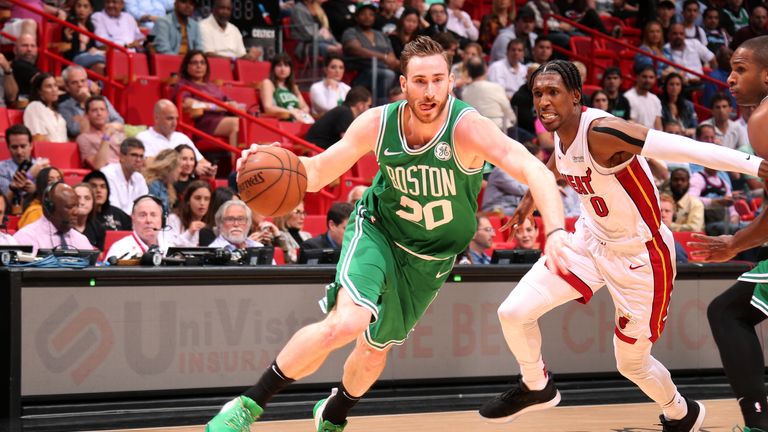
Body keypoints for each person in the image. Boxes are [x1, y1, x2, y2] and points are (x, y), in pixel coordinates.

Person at [204, 36, 570, 432]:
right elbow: (313, 173)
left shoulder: (469, 128)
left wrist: (555, 231)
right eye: (419, 81)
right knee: (347, 322)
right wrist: (259, 162)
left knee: (374, 350)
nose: (429, 92)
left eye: (438, 80)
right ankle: (246, 406)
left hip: (431, 258)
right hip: (379, 230)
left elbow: (534, 170)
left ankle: (333, 413)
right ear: (403, 84)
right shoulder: (378, 124)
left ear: (451, 82)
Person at [478, 59, 768, 430]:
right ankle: (536, 386)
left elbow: (680, 147)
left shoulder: (604, 131)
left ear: (576, 98)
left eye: (553, 92)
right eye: (538, 94)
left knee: (631, 363)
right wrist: (529, 199)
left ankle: (682, 413)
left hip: (641, 256)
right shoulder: (561, 130)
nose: (544, 101)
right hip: (588, 239)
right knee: (513, 313)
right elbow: (559, 159)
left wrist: (754, 164)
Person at [688, 35, 768, 432]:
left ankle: (757, 423)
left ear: (767, 75)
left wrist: (734, 243)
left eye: (741, 69)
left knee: (727, 312)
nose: (730, 79)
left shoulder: (763, 118)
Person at [173, 50, 240, 148]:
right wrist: (217, 107)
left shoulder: (211, 85)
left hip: (222, 118)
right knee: (236, 124)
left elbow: (228, 101)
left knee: (245, 123)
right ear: (186, 66)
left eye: (202, 63)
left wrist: (233, 104)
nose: (199, 66)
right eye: (194, 63)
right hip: (202, 122)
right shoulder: (183, 84)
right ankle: (237, 162)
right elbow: (189, 103)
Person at [136, 99, 215, 177]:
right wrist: (192, 167)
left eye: (176, 119)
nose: (174, 123)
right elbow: (149, 163)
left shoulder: (182, 137)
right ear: (156, 118)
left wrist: (209, 169)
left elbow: (203, 162)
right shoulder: (144, 137)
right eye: (170, 118)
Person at [342, 2, 399, 106]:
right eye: (363, 14)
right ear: (357, 17)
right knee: (388, 74)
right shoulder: (351, 32)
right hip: (360, 72)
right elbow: (355, 49)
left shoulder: (381, 35)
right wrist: (382, 57)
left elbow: (392, 59)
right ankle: (380, 107)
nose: (367, 17)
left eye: (371, 14)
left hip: (383, 70)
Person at [13, 181, 93, 254]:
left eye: (76, 206)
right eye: (69, 207)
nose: (76, 212)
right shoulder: (26, 238)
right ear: (50, 208)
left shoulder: (81, 240)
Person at [59, 65, 124, 138]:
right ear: (67, 87)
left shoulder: (103, 100)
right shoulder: (64, 107)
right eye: (74, 83)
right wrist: (87, 101)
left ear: (87, 82)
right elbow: (75, 130)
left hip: (110, 139)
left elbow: (119, 121)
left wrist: (102, 127)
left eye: (83, 81)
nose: (80, 85)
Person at [105, 195, 174, 259]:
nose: (148, 220)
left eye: (153, 215)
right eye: (142, 215)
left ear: (162, 219)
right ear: (133, 219)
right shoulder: (119, 250)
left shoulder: (171, 250)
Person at [305, 86, 372, 150]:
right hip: (315, 149)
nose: (369, 109)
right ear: (360, 105)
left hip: (321, 147)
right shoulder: (345, 113)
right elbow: (348, 142)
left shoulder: (344, 110)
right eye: (368, 105)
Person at [462, 57, 516, 133]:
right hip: (500, 130)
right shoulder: (496, 87)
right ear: (485, 68)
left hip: (477, 132)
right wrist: (513, 119)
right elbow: (507, 110)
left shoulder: (465, 92)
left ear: (468, 72)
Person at [0, 125, 48, 208]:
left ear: (31, 146)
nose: (19, 152)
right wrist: (30, 175)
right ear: (8, 147)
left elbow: (52, 199)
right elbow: (6, 202)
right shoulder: (1, 169)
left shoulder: (42, 166)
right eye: (14, 147)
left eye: (23, 146)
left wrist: (36, 190)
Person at [76, 95, 127, 169]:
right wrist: (106, 136)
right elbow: (98, 166)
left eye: (102, 109)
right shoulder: (84, 138)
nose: (99, 113)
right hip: (106, 174)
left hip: (125, 171)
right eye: (94, 110)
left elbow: (128, 156)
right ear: (87, 115)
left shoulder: (117, 132)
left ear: (107, 113)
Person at [101, 138, 148, 215]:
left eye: (141, 156)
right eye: (134, 155)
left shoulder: (139, 178)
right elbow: (113, 208)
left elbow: (144, 205)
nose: (138, 160)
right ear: (122, 157)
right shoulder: (108, 174)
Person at [260, 53, 312, 123]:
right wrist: (290, 112)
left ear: (290, 69)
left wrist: (299, 112)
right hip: (281, 123)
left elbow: (305, 107)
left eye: (286, 65)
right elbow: (268, 108)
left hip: (298, 121)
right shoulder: (268, 83)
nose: (283, 69)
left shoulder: (293, 86)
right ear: (273, 68)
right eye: (279, 65)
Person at [62, 0, 106, 74]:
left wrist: (93, 49)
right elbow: (66, 49)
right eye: (79, 6)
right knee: (103, 57)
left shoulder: (90, 26)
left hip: (88, 58)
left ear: (91, 10)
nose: (81, 9)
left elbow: (92, 46)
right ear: (74, 8)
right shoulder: (70, 24)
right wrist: (68, 38)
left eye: (85, 6)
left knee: (100, 66)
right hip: (74, 59)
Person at [23, 73, 67, 143]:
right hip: (45, 151)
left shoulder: (59, 114)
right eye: (49, 86)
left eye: (55, 85)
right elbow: (38, 138)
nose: (54, 89)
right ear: (39, 91)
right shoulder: (35, 106)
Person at [167, 179, 210, 246]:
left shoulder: (211, 223)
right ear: (188, 200)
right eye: (197, 198)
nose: (202, 203)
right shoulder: (174, 218)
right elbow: (169, 246)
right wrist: (189, 232)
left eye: (206, 199)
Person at [665, 167, 705, 233]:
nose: (679, 183)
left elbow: (695, 228)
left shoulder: (696, 203)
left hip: (688, 240)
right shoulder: (663, 201)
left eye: (683, 180)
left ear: (689, 184)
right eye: (676, 179)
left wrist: (670, 225)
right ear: (670, 182)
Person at [624, 64, 663, 130]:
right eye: (644, 77)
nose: (648, 80)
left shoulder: (655, 99)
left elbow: (658, 126)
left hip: (652, 138)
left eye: (651, 77)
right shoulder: (627, 97)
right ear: (637, 77)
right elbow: (630, 123)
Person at [660, 73, 698, 137]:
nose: (674, 87)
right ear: (666, 86)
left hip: (686, 138)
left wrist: (686, 131)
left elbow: (695, 127)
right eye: (671, 84)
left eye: (677, 84)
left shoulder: (688, 105)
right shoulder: (660, 105)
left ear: (681, 87)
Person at [72, 182, 106, 250]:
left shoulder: (99, 228)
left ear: (93, 203)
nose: (82, 202)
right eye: (77, 198)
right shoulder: (62, 227)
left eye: (87, 198)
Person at [658, 193, 689, 263]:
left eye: (667, 211)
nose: (663, 215)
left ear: (673, 215)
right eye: (660, 211)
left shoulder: (676, 248)